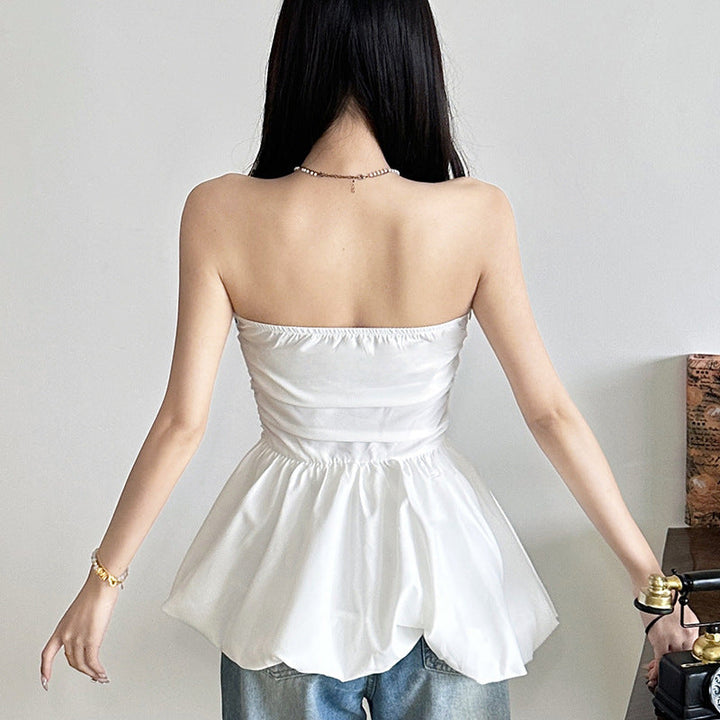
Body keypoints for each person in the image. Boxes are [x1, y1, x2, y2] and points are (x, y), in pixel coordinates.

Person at [40, 0, 698, 717]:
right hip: (439, 572)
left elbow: (181, 424)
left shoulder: (218, 211)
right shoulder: (475, 213)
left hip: (285, 579)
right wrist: (653, 591)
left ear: (293, 59)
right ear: (414, 62)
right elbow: (550, 415)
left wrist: (102, 583)